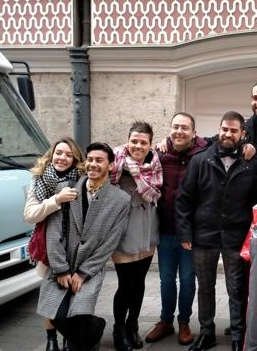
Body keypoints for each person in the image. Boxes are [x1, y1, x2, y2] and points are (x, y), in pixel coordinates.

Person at [176, 111, 257, 351]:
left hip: (236, 237)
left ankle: (238, 334)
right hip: (203, 236)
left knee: (236, 288)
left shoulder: (251, 162)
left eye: (233, 130)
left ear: (242, 134)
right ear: (219, 130)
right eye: (224, 129)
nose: (228, 133)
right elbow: (184, 199)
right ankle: (207, 333)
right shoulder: (199, 160)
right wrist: (184, 234)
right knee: (205, 287)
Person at [37, 142, 131, 351]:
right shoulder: (66, 190)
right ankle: (95, 329)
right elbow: (54, 231)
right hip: (60, 264)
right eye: (90, 159)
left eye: (99, 160)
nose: (93, 164)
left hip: (89, 269)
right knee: (57, 315)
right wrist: (60, 269)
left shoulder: (121, 200)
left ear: (110, 165)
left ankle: (82, 341)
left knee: (79, 315)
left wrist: (83, 273)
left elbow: (110, 242)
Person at [145, 112, 207, 346]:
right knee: (166, 279)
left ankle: (184, 322)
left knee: (189, 279)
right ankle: (165, 321)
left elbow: (227, 140)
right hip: (166, 229)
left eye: (184, 127)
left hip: (191, 233)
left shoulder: (203, 153)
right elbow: (127, 152)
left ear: (194, 132)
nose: (179, 131)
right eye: (175, 127)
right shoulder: (159, 154)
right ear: (169, 130)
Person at [24, 138, 84, 351]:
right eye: (59, 153)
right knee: (50, 296)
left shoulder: (81, 179)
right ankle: (51, 339)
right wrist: (56, 200)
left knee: (74, 297)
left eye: (69, 155)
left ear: (75, 159)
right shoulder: (39, 179)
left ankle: (69, 336)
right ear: (52, 155)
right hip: (48, 248)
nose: (63, 158)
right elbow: (30, 214)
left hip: (76, 248)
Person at [109, 121, 163, 351]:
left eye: (143, 142)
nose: (137, 146)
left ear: (150, 144)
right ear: (127, 140)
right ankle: (119, 328)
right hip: (124, 231)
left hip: (148, 228)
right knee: (125, 284)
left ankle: (133, 324)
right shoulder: (115, 163)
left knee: (139, 282)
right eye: (134, 141)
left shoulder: (155, 164)